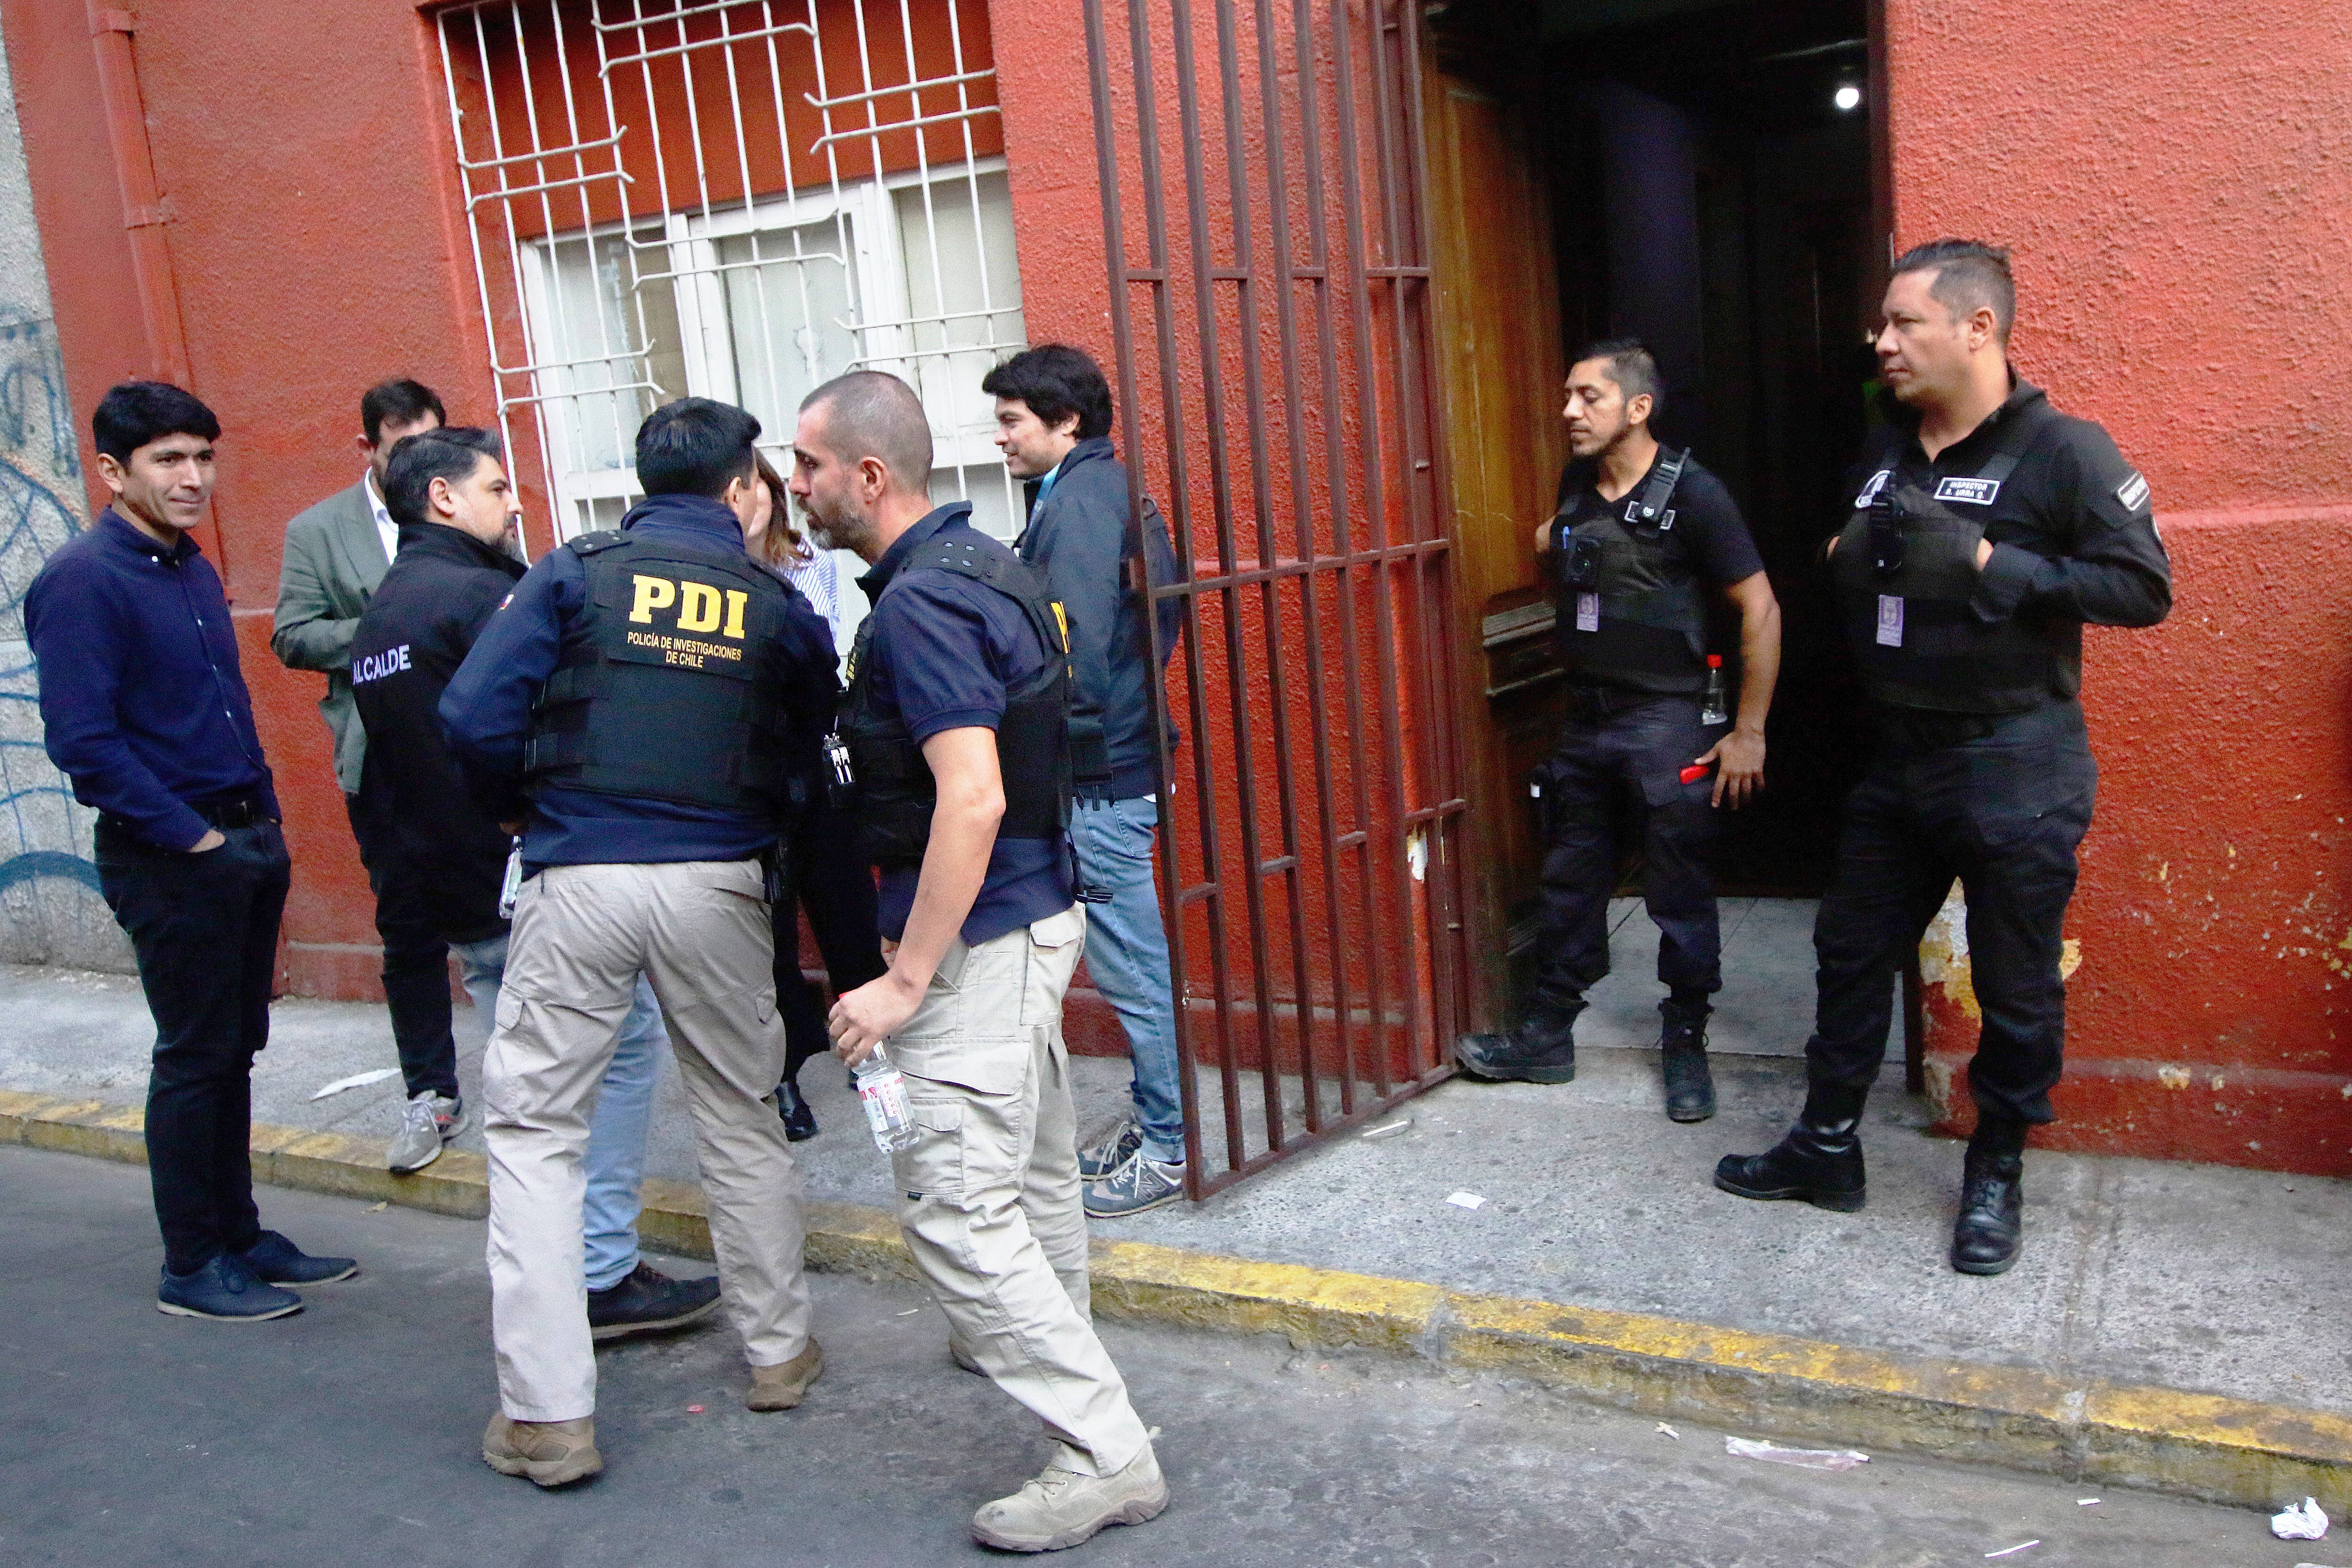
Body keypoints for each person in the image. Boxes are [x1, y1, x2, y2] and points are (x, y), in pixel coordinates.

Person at [1716, 240, 2171, 1274]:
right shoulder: (1887, 445)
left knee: (2014, 982)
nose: (1879, 341)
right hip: (1898, 756)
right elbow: (1856, 545)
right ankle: (1825, 1144)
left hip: (2014, 757)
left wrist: (1988, 561)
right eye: (1880, 324)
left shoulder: (2065, 451)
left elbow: (2142, 588)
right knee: (1849, 951)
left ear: (1977, 328)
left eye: (1901, 323)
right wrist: (1842, 553)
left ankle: (1995, 1169)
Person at [804, 370, 1168, 1552]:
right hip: (1023, 920)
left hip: (977, 940)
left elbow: (971, 796)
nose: (795, 487)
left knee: (959, 1210)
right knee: (1035, 1177)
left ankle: (1104, 1449)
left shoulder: (923, 602)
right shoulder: (983, 565)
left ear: (868, 475)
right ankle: (1045, 1347)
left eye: (808, 465)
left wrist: (904, 977)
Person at [442, 398, 836, 1485]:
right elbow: (812, 742)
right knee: (740, 1114)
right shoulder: (774, 601)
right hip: (718, 881)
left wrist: (524, 808)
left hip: (578, 871)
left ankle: (547, 1415)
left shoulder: (573, 573)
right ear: (739, 490)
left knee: (536, 1132)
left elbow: (470, 715)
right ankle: (780, 1351)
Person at [348, 425, 720, 1340]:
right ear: (442, 498)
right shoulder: (482, 595)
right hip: (522, 881)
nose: (513, 502)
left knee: (528, 1095)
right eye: (495, 486)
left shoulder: (384, 610)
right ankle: (598, 1273)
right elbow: (524, 722)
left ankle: (558, 1283)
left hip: (453, 886)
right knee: (614, 1054)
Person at [26, 382, 355, 1321]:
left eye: (204, 457)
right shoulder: (85, 580)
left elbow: (220, 710)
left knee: (233, 1051)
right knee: (194, 1057)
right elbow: (84, 745)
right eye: (168, 459)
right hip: (170, 852)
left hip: (241, 837)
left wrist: (261, 828)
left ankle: (239, 1235)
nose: (193, 477)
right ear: (112, 471)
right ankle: (192, 1262)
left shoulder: (190, 567)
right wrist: (200, 839)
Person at [1454, 341, 1781, 1123]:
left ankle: (1686, 1040)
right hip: (1588, 716)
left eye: (1589, 397)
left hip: (1667, 719)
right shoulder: (1577, 483)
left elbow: (1761, 608)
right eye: (1568, 395)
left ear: (1638, 408)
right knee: (1570, 876)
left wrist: (1750, 731)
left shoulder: (1696, 494)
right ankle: (1547, 1034)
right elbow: (1563, 546)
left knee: (1679, 887)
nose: (1569, 410)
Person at [982, 344, 1188, 1217]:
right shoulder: (1090, 490)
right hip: (1114, 763)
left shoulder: (1081, 502)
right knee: (1131, 961)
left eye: (1011, 421)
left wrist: (1060, 756)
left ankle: (1172, 1147)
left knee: (1133, 969)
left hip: (1102, 775)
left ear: (1065, 421)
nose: (1000, 437)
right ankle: (1162, 1125)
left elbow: (1076, 651)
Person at [272, 379, 472, 1161]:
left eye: (434, 447)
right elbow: (292, 635)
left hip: (473, 742)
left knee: (520, 914)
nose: (422, 466)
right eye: (403, 451)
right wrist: (390, 631)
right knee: (410, 928)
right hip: (383, 759)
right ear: (367, 448)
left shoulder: (463, 503)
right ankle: (431, 1092)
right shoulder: (319, 530)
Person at [743, 453, 885, 1141]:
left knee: (846, 906)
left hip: (815, 758)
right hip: (747, 770)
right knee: (764, 929)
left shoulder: (807, 564)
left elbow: (820, 657)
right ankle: (784, 1072)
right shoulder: (696, 573)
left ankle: (869, 1043)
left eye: (756, 490)